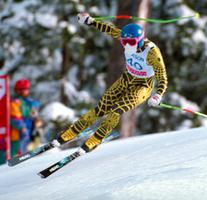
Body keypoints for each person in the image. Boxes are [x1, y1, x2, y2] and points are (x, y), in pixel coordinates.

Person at [52, 12, 168, 154]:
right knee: (101, 108)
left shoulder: (152, 53)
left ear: (139, 40)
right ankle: (71, 133)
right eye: (124, 42)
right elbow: (109, 29)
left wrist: (158, 95)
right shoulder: (126, 39)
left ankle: (95, 140)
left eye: (131, 43)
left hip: (143, 86)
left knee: (116, 110)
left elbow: (162, 76)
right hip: (127, 79)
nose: (127, 46)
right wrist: (90, 21)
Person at [10, 79, 42, 157]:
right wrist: (21, 127)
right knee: (17, 155)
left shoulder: (31, 102)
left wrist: (37, 120)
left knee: (30, 151)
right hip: (17, 135)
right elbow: (14, 118)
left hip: (30, 132)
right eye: (21, 89)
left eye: (26, 89)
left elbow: (34, 115)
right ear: (17, 91)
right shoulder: (13, 102)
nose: (24, 91)